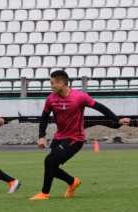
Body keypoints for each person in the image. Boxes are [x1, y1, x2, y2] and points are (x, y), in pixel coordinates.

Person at [30, 70, 130, 200]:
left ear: (61, 83)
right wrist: (41, 136)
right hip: (58, 137)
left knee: (49, 161)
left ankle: (44, 193)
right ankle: (72, 182)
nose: (51, 86)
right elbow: (44, 117)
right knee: (51, 166)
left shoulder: (79, 97)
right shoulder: (50, 99)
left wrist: (117, 120)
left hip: (75, 139)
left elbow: (100, 108)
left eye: (52, 83)